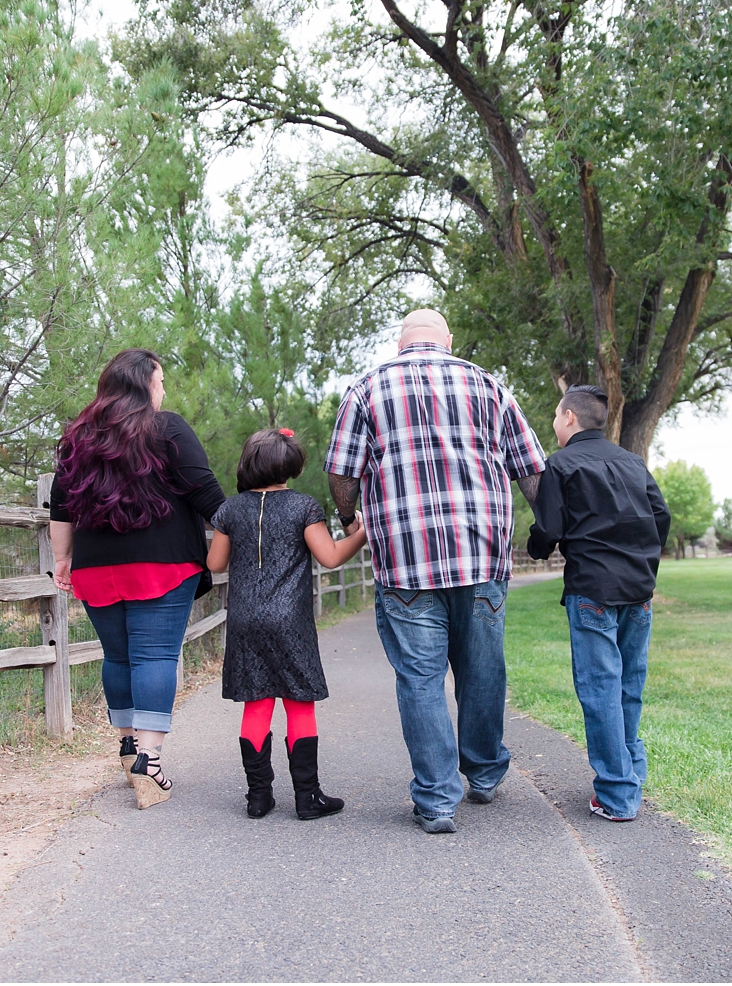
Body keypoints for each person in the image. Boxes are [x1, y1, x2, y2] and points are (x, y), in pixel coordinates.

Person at [325, 309, 547, 834]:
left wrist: (348, 513)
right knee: (483, 670)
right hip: (482, 555)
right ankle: (485, 773)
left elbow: (341, 470)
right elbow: (531, 468)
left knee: (420, 680)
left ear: (400, 342)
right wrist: (550, 528)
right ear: (448, 340)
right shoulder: (490, 386)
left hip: (405, 562)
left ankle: (436, 801)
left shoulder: (366, 390)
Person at [49, 348, 226, 810]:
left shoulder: (78, 438)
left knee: (119, 658)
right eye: (160, 381)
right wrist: (246, 533)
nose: (164, 390)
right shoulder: (166, 428)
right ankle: (150, 761)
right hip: (163, 564)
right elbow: (204, 490)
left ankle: (128, 747)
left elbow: (62, 505)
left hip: (96, 567)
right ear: (145, 384)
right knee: (155, 657)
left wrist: (63, 560)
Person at [205, 428, 368, 820]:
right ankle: (307, 797)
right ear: (290, 466)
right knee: (299, 703)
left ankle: (258, 797)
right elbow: (329, 557)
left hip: (245, 619)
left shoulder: (230, 510)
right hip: (289, 620)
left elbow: (214, 565)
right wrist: (363, 535)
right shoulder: (303, 506)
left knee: (256, 703)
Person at [527, 385, 670, 821]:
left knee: (599, 688)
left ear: (570, 418)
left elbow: (548, 529)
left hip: (593, 591)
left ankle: (616, 794)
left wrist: (536, 548)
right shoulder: (632, 462)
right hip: (638, 590)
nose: (553, 423)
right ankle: (631, 773)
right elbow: (660, 516)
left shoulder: (562, 465)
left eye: (555, 415)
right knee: (628, 684)